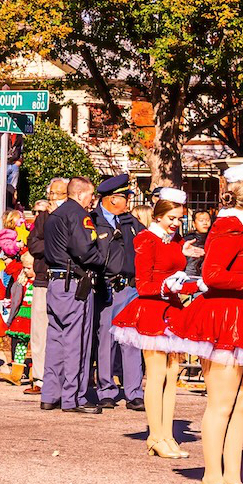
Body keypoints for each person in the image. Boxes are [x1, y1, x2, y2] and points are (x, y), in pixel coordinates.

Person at [170, 164, 243, 484]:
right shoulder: (229, 227)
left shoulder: (238, 227)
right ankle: (212, 478)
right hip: (225, 318)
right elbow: (214, 274)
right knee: (220, 405)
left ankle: (233, 478)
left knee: (240, 403)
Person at [112, 188, 201, 458]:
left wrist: (189, 272)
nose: (176, 223)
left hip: (172, 308)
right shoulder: (145, 239)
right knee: (157, 374)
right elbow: (143, 284)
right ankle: (155, 435)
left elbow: (177, 272)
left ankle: (167, 435)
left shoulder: (175, 240)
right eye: (171, 218)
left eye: (179, 218)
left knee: (172, 374)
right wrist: (168, 285)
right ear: (158, 215)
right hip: (151, 309)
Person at [40, 177, 110, 414]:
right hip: (74, 284)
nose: (93, 201)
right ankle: (74, 397)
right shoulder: (78, 215)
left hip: (56, 283)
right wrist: (103, 258)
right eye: (91, 195)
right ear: (81, 195)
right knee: (76, 341)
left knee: (56, 340)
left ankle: (50, 394)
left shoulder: (54, 216)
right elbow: (85, 251)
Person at [89, 173, 145, 411]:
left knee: (131, 341)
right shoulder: (93, 221)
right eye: (125, 197)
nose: (128, 201)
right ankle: (106, 389)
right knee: (106, 341)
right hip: (107, 287)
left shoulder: (131, 223)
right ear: (112, 199)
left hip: (130, 288)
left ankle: (134, 392)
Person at [25, 178, 68, 395]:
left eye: (59, 194)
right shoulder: (42, 217)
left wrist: (51, 245)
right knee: (40, 330)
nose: (53, 198)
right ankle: (40, 378)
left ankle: (62, 379)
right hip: (43, 277)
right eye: (51, 193)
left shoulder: (71, 215)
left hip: (66, 279)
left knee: (63, 330)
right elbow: (33, 244)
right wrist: (55, 245)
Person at [5, 250, 35, 384]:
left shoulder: (40, 283)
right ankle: (17, 373)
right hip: (22, 316)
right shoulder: (22, 282)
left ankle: (35, 374)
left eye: (29, 268)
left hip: (34, 316)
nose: (26, 270)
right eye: (24, 268)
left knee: (36, 346)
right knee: (20, 346)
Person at [183, 209, 211, 278]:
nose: (205, 223)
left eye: (207, 220)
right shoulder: (188, 240)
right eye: (201, 221)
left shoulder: (213, 239)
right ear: (194, 223)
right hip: (190, 276)